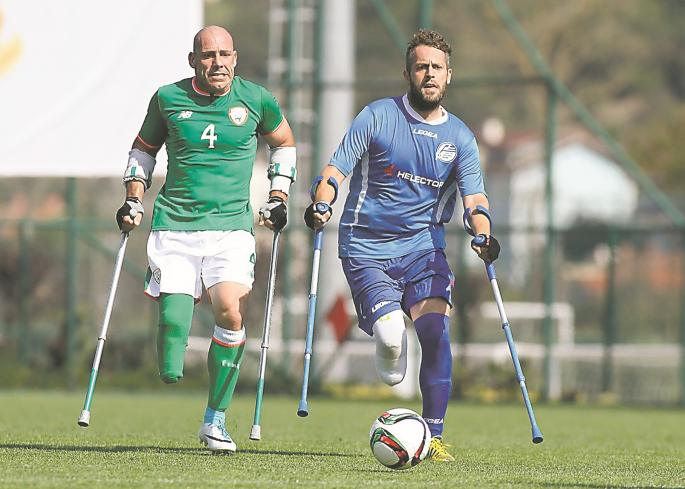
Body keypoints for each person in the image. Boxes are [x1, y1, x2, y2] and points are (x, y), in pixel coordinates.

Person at [304, 29, 499, 462]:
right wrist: (322, 202)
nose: (429, 74)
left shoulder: (461, 138)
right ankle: (388, 344)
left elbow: (475, 200)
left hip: (423, 250)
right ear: (407, 74)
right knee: (393, 339)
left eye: (437, 67)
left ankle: (433, 437)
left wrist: (483, 232)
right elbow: (335, 170)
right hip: (365, 246)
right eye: (421, 66)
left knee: (435, 332)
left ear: (449, 75)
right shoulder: (377, 115)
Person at [116, 25, 297, 453]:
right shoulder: (168, 98)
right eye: (209, 55)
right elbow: (142, 150)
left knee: (230, 311)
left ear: (235, 58)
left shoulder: (257, 99)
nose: (218, 63)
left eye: (225, 54)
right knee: (173, 336)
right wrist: (133, 198)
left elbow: (285, 144)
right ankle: (171, 363)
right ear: (193, 60)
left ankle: (215, 421)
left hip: (232, 228)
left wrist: (278, 196)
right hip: (175, 226)